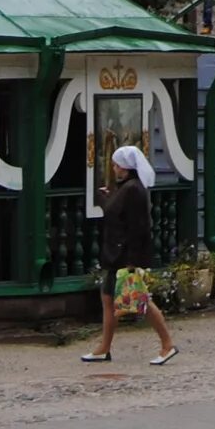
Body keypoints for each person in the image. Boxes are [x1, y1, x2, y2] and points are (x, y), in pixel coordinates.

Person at [81, 146, 177, 367]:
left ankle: (167, 344)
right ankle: (104, 348)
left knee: (141, 302)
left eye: (116, 165)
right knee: (107, 299)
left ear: (124, 168)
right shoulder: (126, 188)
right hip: (115, 253)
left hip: (124, 255)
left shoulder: (134, 190)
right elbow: (114, 212)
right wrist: (106, 197)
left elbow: (138, 228)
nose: (114, 169)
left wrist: (133, 261)